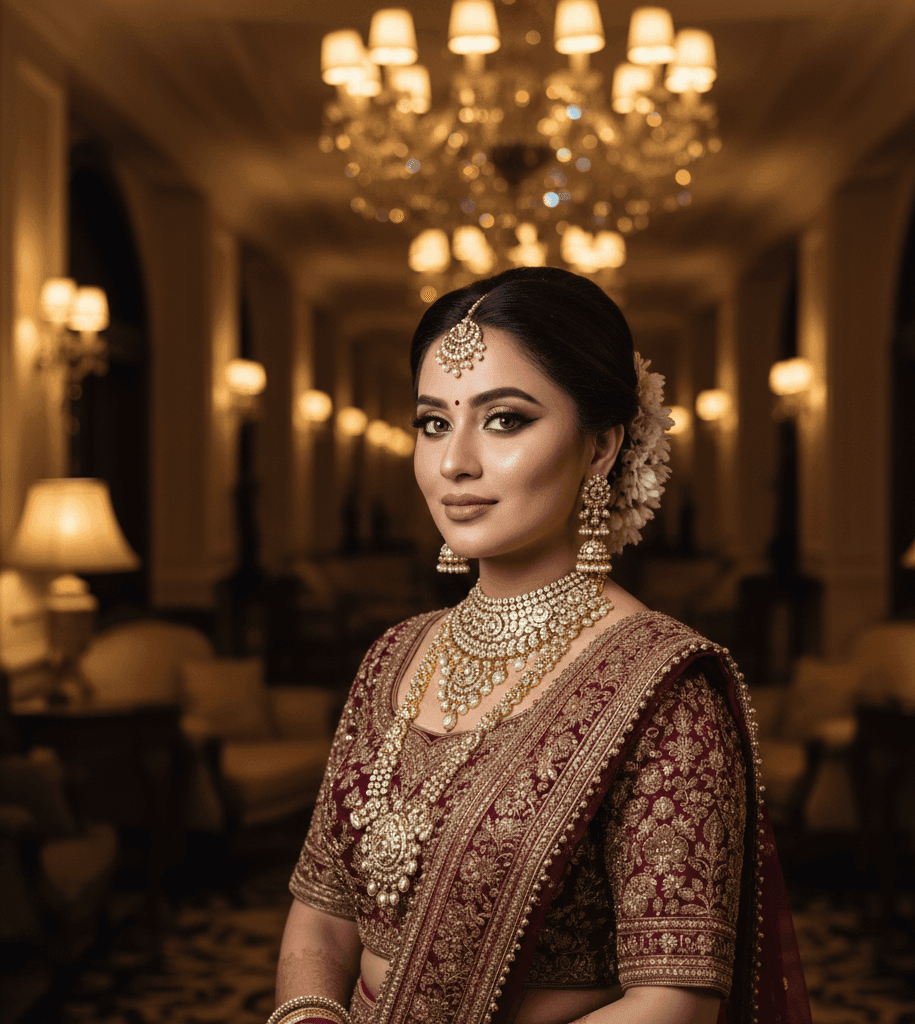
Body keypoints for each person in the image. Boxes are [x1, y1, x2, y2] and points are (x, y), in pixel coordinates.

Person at [271, 267, 810, 1024]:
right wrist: (305, 1016)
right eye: (432, 422)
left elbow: (674, 1001)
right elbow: (321, 910)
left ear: (599, 448)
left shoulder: (663, 690)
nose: (454, 461)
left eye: (504, 420)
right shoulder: (393, 657)